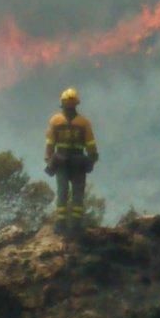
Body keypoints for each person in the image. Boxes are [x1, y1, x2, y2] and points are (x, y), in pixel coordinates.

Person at [44, 87, 99, 234]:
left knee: (70, 193)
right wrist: (92, 159)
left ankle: (68, 224)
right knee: (70, 193)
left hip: (68, 161)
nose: (69, 106)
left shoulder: (61, 121)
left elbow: (50, 143)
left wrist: (49, 159)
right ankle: (69, 224)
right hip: (72, 162)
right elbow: (50, 143)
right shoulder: (81, 122)